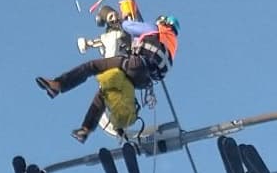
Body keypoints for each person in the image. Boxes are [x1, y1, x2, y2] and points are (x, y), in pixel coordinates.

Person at [37, 14, 181, 143]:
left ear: (164, 22)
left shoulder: (156, 29)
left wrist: (122, 20)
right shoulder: (171, 46)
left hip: (135, 65)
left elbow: (128, 26)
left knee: (92, 66)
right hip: (143, 81)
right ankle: (85, 130)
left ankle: (58, 85)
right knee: (106, 90)